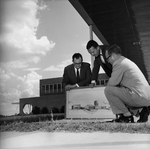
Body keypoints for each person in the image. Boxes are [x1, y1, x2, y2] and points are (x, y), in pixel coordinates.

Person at [104, 44, 150, 123]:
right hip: (146, 97)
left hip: (139, 96)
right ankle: (142, 110)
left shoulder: (118, 63)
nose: (107, 61)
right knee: (122, 90)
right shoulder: (126, 61)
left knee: (108, 90)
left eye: (107, 58)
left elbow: (112, 83)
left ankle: (126, 116)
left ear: (113, 56)